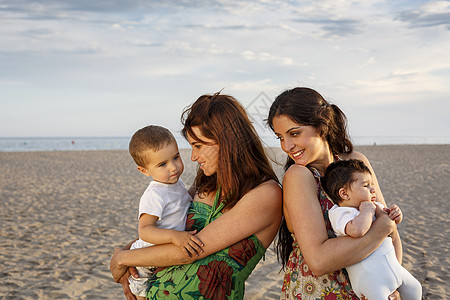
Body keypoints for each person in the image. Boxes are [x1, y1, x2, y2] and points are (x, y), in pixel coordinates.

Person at [110, 93, 282, 300]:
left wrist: (122, 258)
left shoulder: (266, 194)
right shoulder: (205, 183)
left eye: (198, 146)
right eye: (191, 146)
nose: (193, 157)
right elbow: (168, 227)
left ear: (228, 141)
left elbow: (189, 251)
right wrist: (128, 250)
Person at [267, 87, 402, 299]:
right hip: (319, 292)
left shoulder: (356, 163)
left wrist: (391, 283)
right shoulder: (299, 176)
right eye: (280, 138)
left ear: (321, 126)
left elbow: (391, 232)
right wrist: (380, 230)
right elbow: (319, 261)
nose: (287, 146)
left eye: (294, 133)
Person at [321, 159, 422, 299]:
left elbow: (391, 225)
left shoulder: (374, 205)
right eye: (366, 186)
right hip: (371, 278)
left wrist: (396, 214)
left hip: (394, 268)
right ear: (344, 194)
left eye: (372, 185)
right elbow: (358, 231)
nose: (373, 189)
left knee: (415, 288)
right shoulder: (340, 213)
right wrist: (367, 210)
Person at [126, 125, 204, 299]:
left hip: (165, 253)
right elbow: (144, 231)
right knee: (142, 293)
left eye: (176, 157)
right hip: (145, 259)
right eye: (162, 164)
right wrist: (174, 236)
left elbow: (183, 200)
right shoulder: (154, 194)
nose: (173, 167)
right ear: (144, 170)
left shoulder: (176, 183)